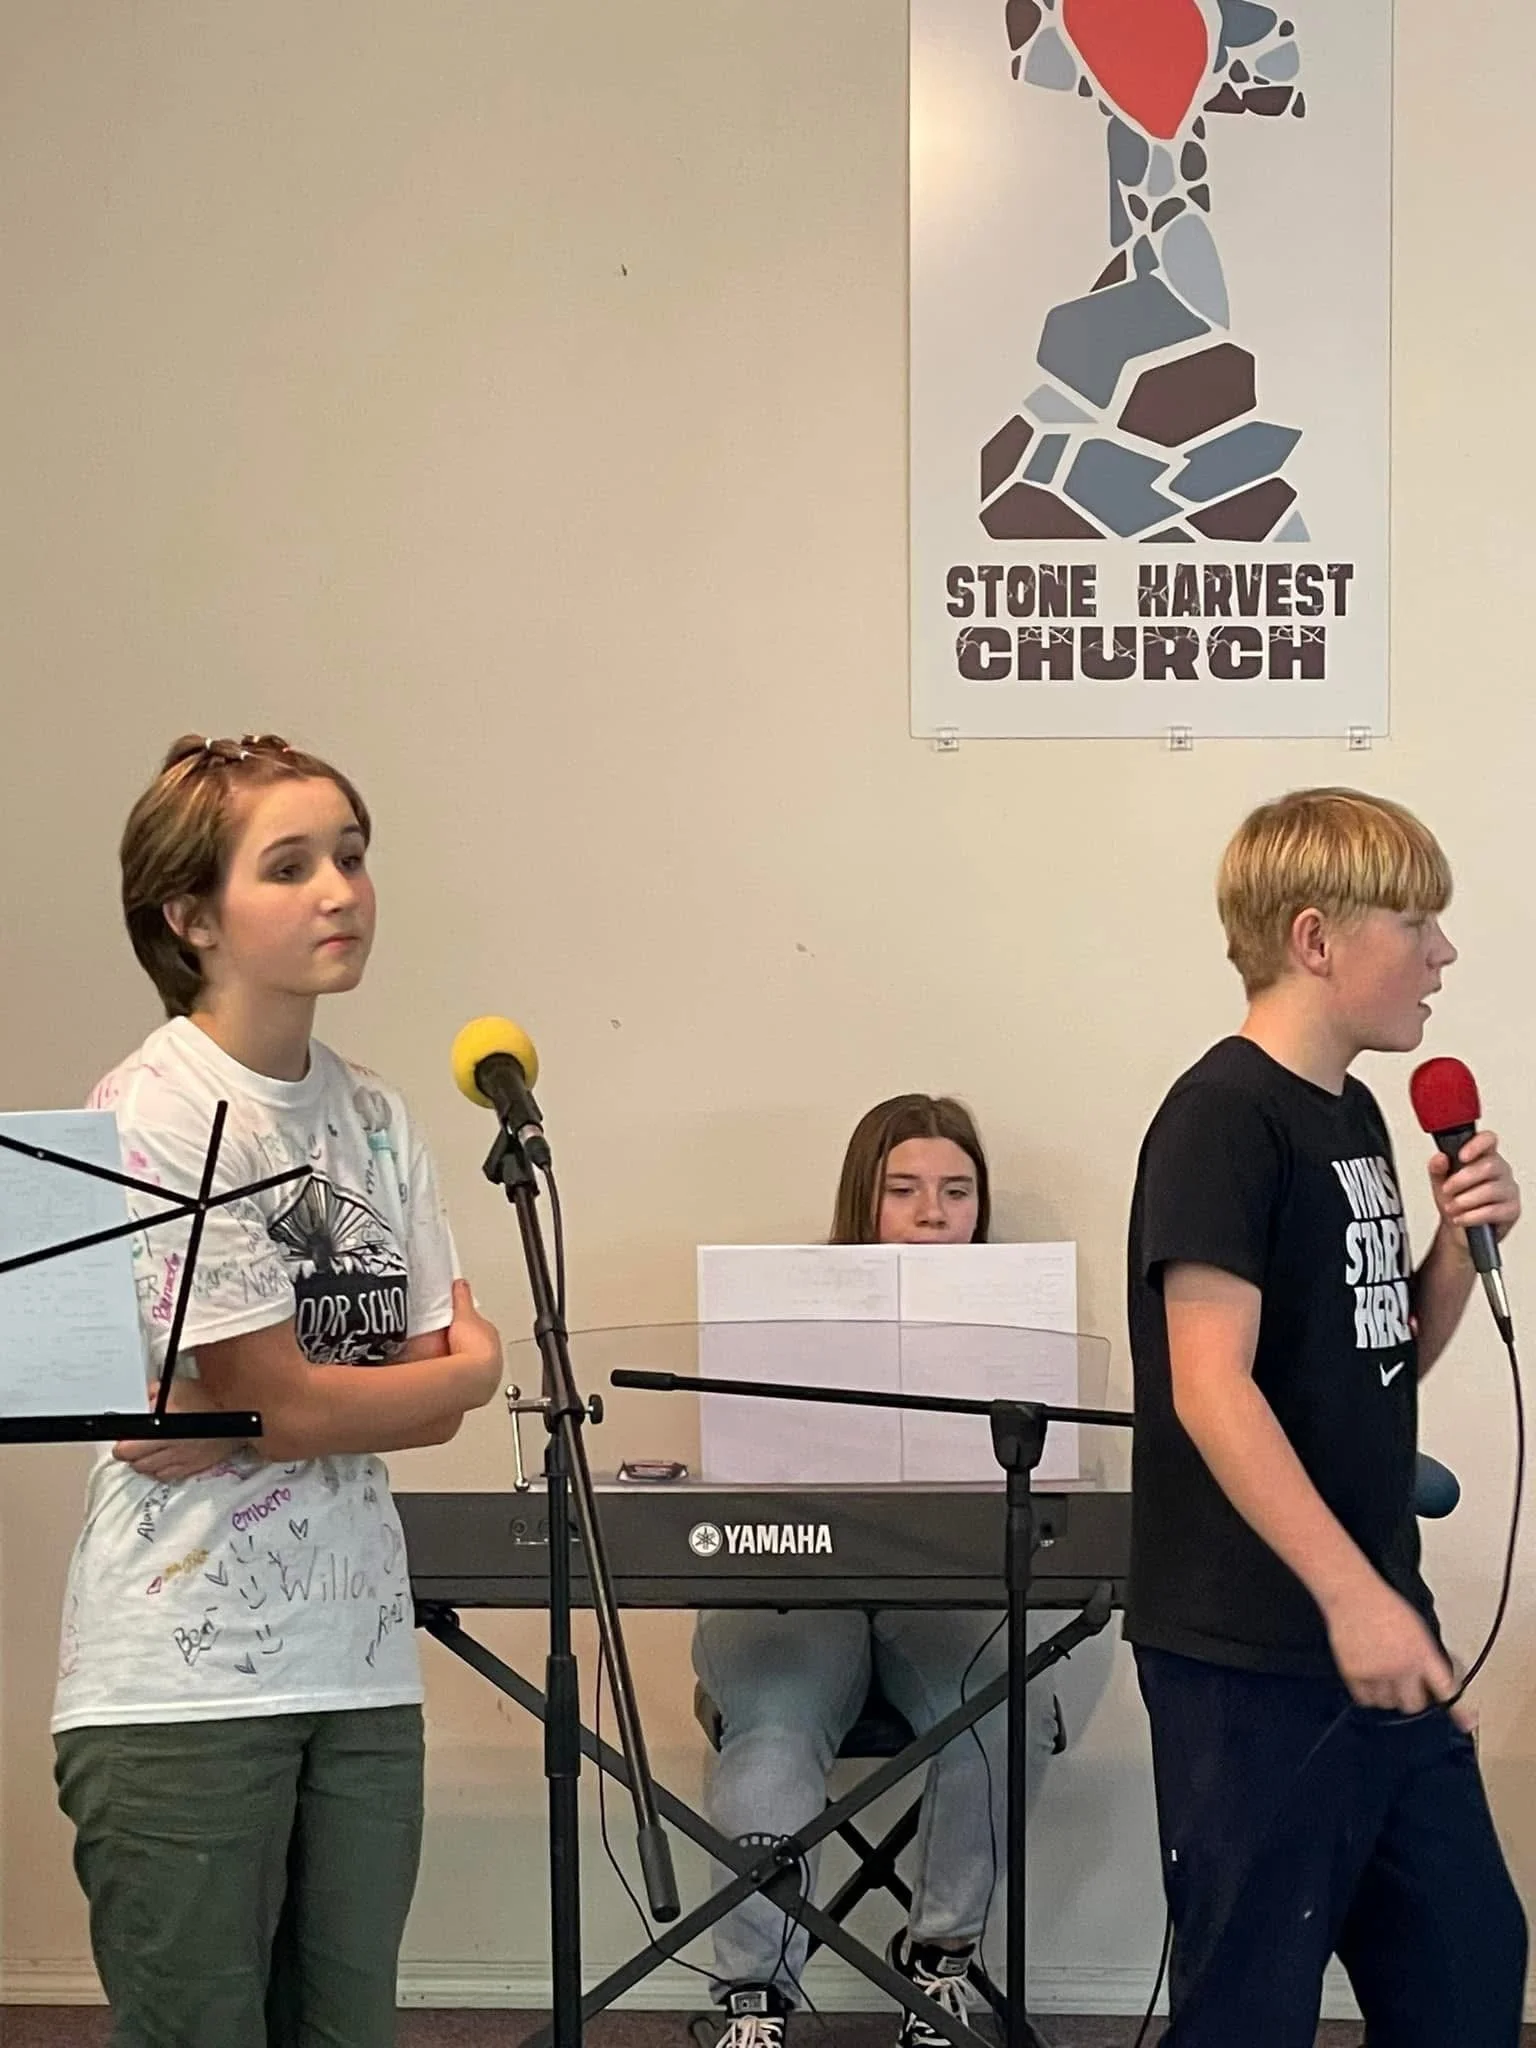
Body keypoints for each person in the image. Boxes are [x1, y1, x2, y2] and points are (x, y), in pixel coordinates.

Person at [52, 733, 506, 2048]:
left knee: (348, 2026)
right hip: (181, 1681)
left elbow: (423, 1385)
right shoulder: (161, 1109)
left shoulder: (373, 1117)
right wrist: (399, 1384)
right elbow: (295, 1396)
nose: (340, 893)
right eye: (291, 865)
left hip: (357, 1656)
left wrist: (446, 1380)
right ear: (189, 915)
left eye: (352, 859)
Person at [1125, 787, 1527, 2045]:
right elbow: (1210, 1383)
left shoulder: (1350, 1113)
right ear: (1314, 937)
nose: (1443, 955)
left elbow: (1381, 1349)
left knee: (1468, 1955)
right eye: (1416, 922)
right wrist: (1353, 1594)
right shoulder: (1221, 1118)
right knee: (1251, 1998)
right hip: (1254, 1656)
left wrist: (1460, 1243)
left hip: (1374, 1634)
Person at [693, 1094, 1064, 2048]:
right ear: (865, 1202)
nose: (933, 1213)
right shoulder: (778, 1308)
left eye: (956, 1192)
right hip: (792, 1568)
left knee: (1003, 1702)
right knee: (772, 1731)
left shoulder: (1024, 1324)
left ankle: (938, 1965)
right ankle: (753, 2000)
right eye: (904, 1191)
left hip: (944, 1577)